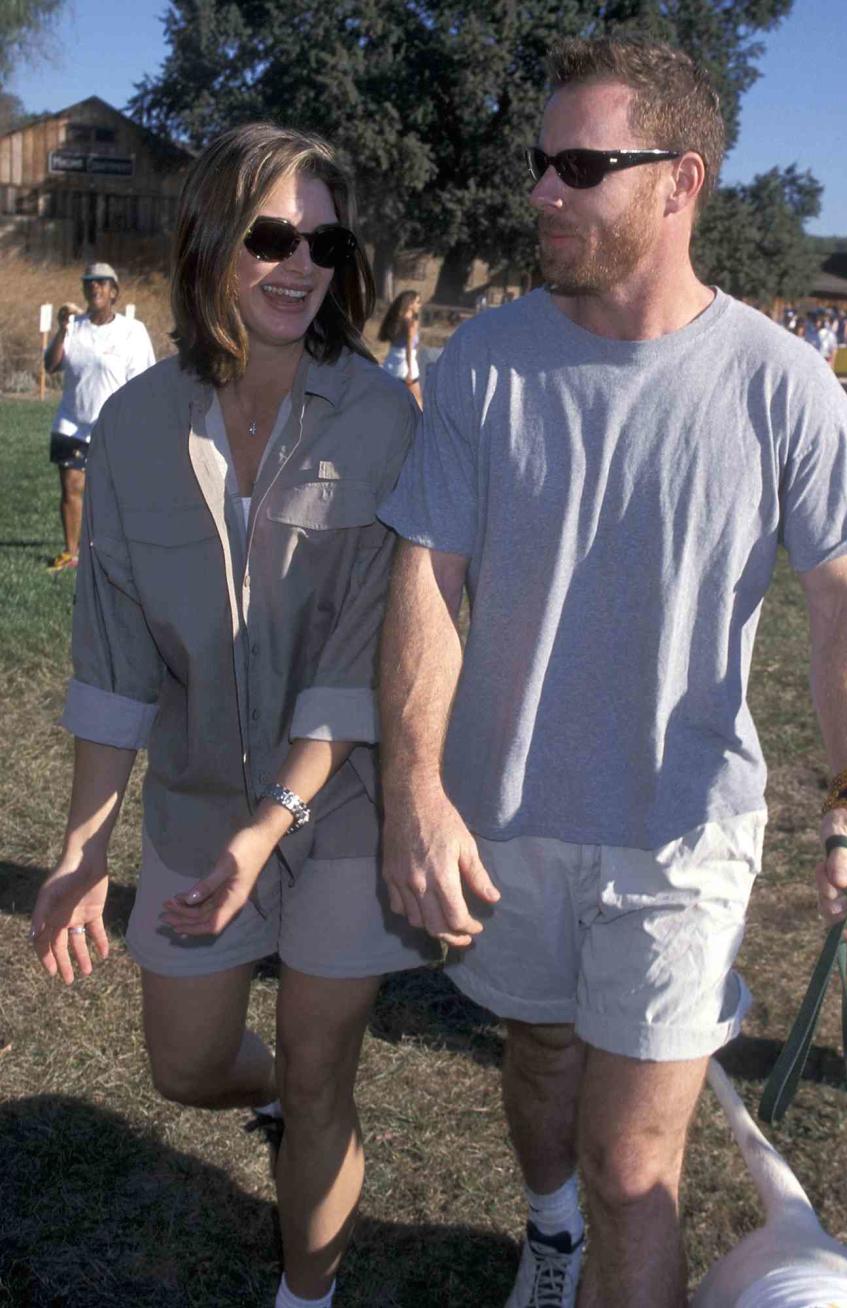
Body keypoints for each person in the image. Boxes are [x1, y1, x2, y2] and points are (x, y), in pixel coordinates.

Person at [376, 35, 847, 1308]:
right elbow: (427, 578)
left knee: (632, 1163)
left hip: (682, 833)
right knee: (542, 1061)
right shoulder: (488, 362)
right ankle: (545, 1227)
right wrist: (416, 789)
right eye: (542, 162)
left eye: (583, 166)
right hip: (508, 815)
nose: (544, 191)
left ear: (681, 182)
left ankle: (586, 1216)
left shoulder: (784, 387)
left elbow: (844, 590)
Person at [30, 123, 432, 1308]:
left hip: (344, 802)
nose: (299, 264)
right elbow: (113, 657)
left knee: (321, 1075)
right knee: (184, 1065)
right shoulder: (138, 427)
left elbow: (366, 656)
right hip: (201, 803)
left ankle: (304, 1292)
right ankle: (280, 1101)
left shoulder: (383, 421)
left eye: (321, 239)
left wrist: (279, 818)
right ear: (211, 243)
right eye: (269, 237)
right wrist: (77, 852)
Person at [43, 262, 155, 572]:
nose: (95, 287)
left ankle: (113, 551)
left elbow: (142, 381)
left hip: (113, 427)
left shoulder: (132, 331)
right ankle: (71, 552)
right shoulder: (74, 326)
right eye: (90, 282)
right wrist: (62, 329)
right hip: (71, 423)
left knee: (113, 494)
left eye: (102, 283)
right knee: (71, 488)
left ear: (114, 292)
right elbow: (51, 365)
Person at [378, 289, 422, 407]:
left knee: (390, 405)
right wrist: (410, 371)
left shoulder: (396, 321)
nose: (419, 305)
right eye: (417, 302)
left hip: (390, 366)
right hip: (405, 367)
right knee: (418, 405)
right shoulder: (411, 323)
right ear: (410, 304)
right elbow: (409, 347)